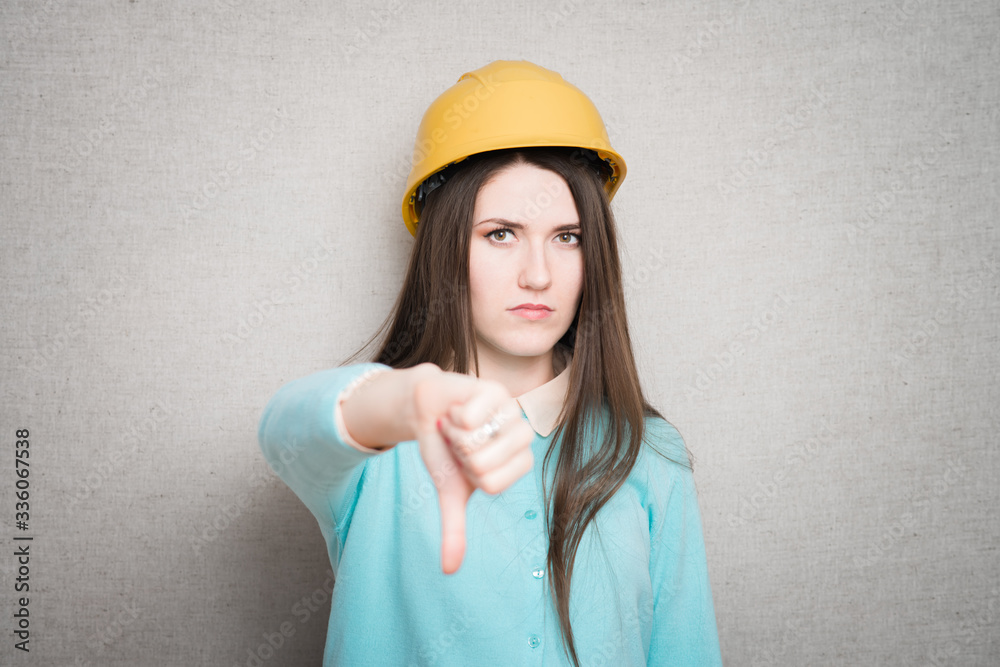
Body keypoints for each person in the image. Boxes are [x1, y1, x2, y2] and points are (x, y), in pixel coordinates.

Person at [258, 60, 722, 667]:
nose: (538, 274)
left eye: (568, 237)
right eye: (501, 233)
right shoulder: (379, 449)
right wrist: (406, 402)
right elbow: (284, 428)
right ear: (445, 247)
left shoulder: (650, 451)